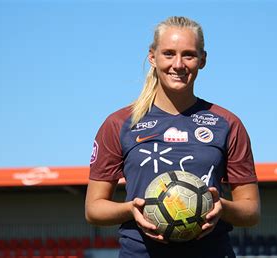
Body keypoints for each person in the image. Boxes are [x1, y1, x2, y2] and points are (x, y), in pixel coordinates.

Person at [85, 16, 260, 258]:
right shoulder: (120, 123)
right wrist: (131, 210)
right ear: (152, 57)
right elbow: (93, 209)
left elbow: (251, 210)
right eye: (168, 53)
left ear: (203, 60)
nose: (178, 64)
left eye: (188, 55)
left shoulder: (227, 123)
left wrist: (221, 207)